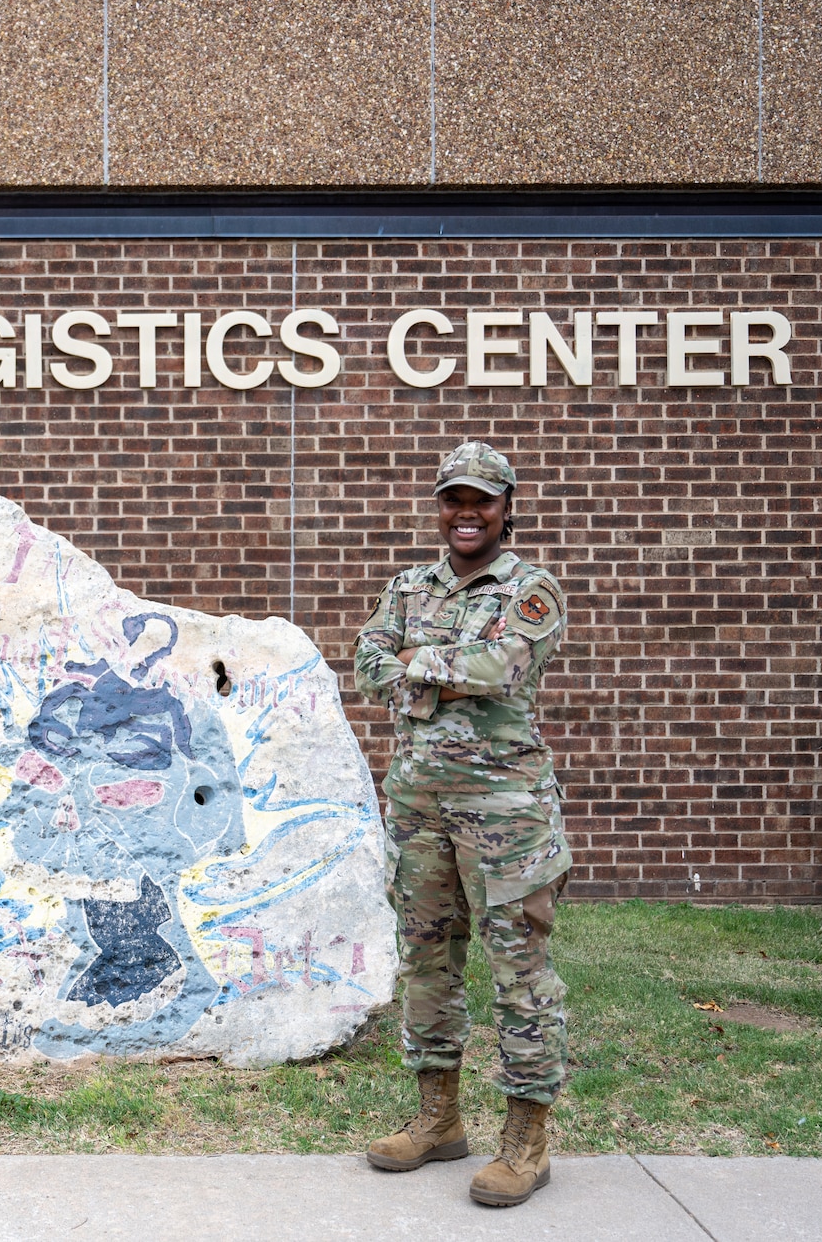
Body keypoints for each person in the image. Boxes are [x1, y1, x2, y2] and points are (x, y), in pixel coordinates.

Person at [351, 441, 572, 1208]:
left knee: (520, 972)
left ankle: (527, 1141)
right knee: (427, 964)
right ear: (440, 507)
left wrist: (419, 661)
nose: (466, 512)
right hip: (419, 810)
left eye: (482, 499)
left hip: (507, 818)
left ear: (507, 508)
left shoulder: (531, 588)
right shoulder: (408, 585)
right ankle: (439, 1118)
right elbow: (367, 662)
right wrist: (446, 665)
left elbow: (504, 667)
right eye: (454, 499)